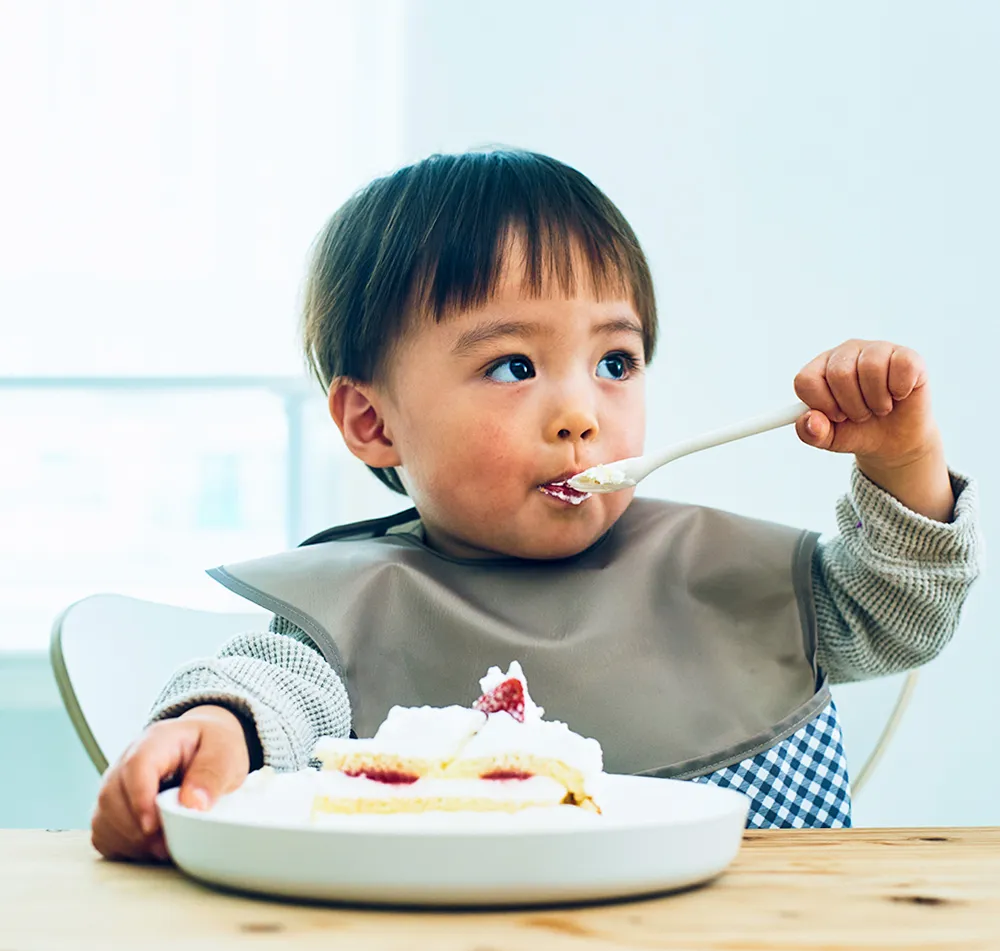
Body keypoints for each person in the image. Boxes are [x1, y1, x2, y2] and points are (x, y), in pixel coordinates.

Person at [90, 149, 982, 861]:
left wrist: (903, 459)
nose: (579, 415)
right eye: (513, 366)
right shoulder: (355, 606)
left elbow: (901, 616)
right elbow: (270, 694)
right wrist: (214, 725)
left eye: (616, 364)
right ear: (372, 421)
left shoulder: (719, 572)